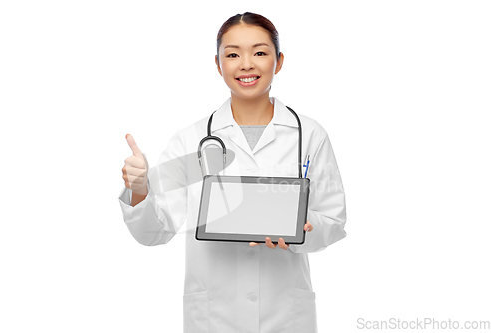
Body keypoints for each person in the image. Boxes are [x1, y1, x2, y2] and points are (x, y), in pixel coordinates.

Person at [119, 12, 347, 333]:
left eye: (259, 52)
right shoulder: (191, 140)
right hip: (214, 316)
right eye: (233, 54)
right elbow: (154, 233)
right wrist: (140, 189)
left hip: (284, 316)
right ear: (218, 64)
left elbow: (334, 221)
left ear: (278, 61)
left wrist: (303, 230)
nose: (246, 64)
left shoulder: (308, 134)